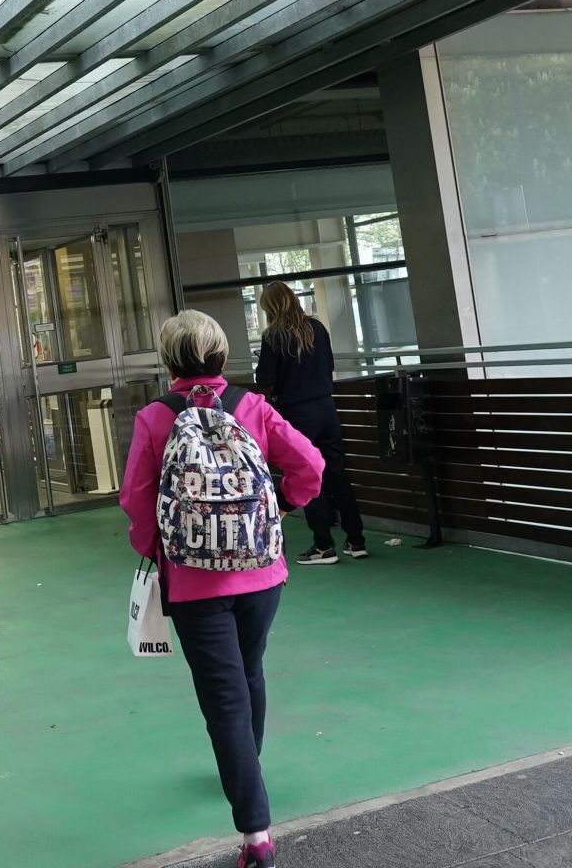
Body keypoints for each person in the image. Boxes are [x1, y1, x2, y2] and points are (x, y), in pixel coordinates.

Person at [121, 310, 323, 868]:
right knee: (250, 671)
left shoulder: (156, 417)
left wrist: (154, 547)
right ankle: (246, 767)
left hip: (192, 583)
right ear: (221, 355)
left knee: (224, 697)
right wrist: (282, 506)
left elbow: (137, 501)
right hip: (262, 573)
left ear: (169, 362)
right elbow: (310, 464)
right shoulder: (251, 407)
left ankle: (257, 835)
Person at [257, 281, 369, 565]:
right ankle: (356, 540)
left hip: (297, 413)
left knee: (307, 474)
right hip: (327, 408)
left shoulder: (273, 336)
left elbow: (265, 380)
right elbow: (328, 365)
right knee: (337, 471)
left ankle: (323, 546)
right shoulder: (316, 328)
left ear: (270, 307)